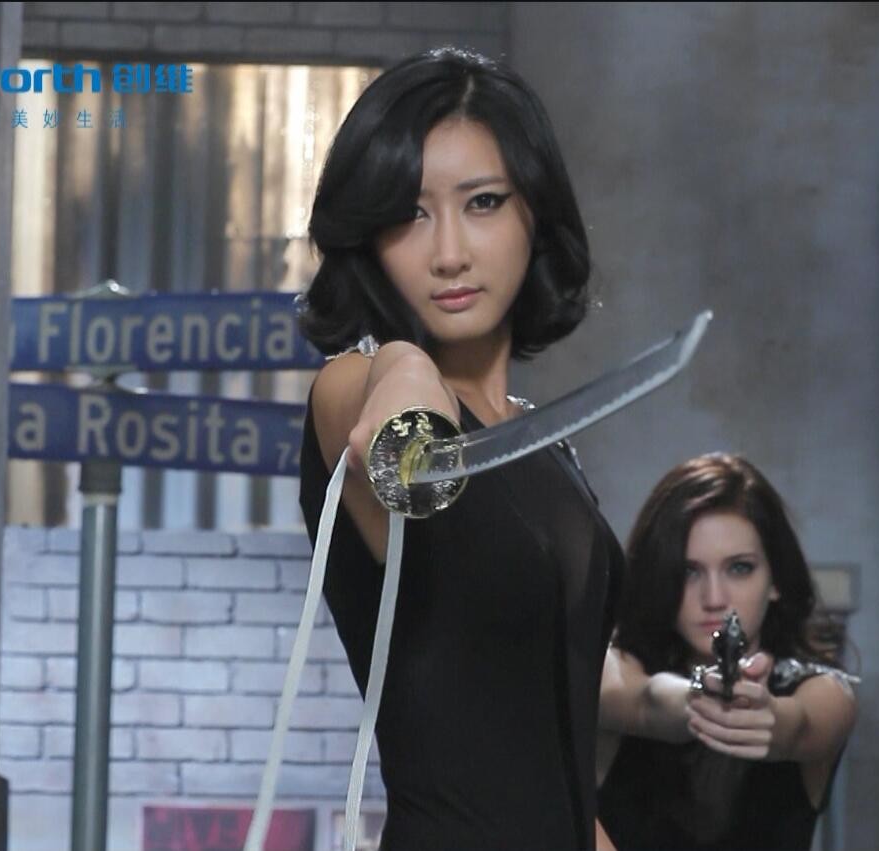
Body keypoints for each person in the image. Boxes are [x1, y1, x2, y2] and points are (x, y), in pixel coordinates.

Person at [295, 47, 625, 851]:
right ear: (368, 239)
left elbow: (545, 766)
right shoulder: (351, 386)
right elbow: (378, 417)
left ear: (533, 213)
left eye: (481, 202)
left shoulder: (547, 449)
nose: (448, 252)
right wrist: (405, 369)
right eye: (409, 214)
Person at [596, 453, 858, 850]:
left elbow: (802, 724)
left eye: (739, 568)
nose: (714, 598)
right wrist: (700, 698)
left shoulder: (823, 692)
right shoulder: (617, 668)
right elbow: (645, 701)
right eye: (689, 571)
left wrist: (767, 717)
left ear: (775, 579)